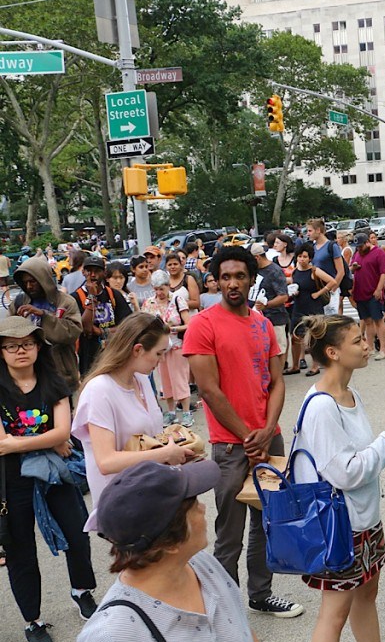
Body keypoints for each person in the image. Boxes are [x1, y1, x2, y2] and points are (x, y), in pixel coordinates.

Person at [292, 314, 385, 642]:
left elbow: (358, 456)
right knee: (334, 612)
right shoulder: (322, 406)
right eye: (357, 342)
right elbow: (345, 474)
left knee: (367, 594)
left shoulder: (350, 394)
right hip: (340, 525)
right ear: (332, 352)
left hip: (362, 519)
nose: (366, 346)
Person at [182, 246, 303, 618]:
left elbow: (278, 381)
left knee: (267, 523)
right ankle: (223, 605)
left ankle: (260, 594)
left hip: (269, 436)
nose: (233, 283)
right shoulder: (203, 324)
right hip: (230, 446)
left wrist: (266, 430)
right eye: (226, 277)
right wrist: (249, 437)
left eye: (240, 276)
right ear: (215, 281)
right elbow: (209, 390)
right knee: (229, 532)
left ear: (252, 279)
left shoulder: (263, 323)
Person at [73, 460, 272, 642]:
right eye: (193, 505)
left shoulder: (203, 565)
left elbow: (248, 638)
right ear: (169, 542)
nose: (203, 508)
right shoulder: (109, 640)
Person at [0, 317, 97, 642]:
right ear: (2, 351)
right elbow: (2, 444)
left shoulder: (53, 382)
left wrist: (20, 442)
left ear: (38, 347)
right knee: (20, 552)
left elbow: (63, 433)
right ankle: (32, 621)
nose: (20, 351)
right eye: (11, 346)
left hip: (55, 476)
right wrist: (48, 439)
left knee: (77, 534)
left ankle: (81, 591)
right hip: (11, 484)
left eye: (26, 343)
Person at [73, 312, 192, 530]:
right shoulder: (99, 390)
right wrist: (165, 454)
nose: (161, 360)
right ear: (137, 349)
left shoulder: (141, 380)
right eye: (158, 353)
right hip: (124, 505)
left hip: (151, 492)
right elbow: (106, 461)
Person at [9, 255, 82, 388]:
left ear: (44, 280)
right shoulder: (19, 303)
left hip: (61, 372)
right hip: (30, 374)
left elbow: (73, 332)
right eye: (25, 283)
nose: (29, 286)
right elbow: (8, 337)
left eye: (33, 281)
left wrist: (44, 315)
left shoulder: (65, 302)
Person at [141, 271, 193, 427]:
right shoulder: (149, 303)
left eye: (162, 288)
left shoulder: (178, 300)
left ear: (168, 286)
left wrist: (173, 329)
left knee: (180, 379)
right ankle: (171, 412)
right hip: (159, 349)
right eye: (156, 289)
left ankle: (186, 412)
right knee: (165, 380)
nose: (159, 293)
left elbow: (189, 324)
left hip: (176, 346)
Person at [70, 255, 132, 376]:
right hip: (89, 356)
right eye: (89, 271)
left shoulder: (113, 294)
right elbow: (86, 329)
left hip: (113, 353)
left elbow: (128, 325)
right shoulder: (76, 297)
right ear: (83, 272)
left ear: (104, 273)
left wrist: (101, 331)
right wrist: (92, 298)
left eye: (97, 271)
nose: (93, 275)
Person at [287, 242, 336, 376]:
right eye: (300, 256)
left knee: (313, 338)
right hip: (298, 306)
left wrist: (319, 293)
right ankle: (295, 365)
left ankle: (315, 366)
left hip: (313, 307)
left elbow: (332, 281)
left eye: (305, 257)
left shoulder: (314, 271)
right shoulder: (295, 272)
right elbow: (293, 285)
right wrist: (293, 292)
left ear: (310, 258)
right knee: (295, 337)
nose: (302, 259)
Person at [349, 233, 385, 361]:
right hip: (360, 293)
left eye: (361, 246)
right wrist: (353, 268)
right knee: (367, 321)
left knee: (378, 320)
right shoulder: (357, 254)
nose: (359, 249)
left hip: (374, 292)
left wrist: (379, 289)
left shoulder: (379, 253)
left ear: (368, 242)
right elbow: (350, 269)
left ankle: (383, 349)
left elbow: (384, 272)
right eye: (357, 247)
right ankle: (371, 347)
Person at [249, 243, 290, 362]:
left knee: (278, 349)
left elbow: (283, 296)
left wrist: (266, 305)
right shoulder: (253, 271)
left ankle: (279, 376)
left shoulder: (275, 271)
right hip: (255, 318)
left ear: (257, 257)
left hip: (275, 317)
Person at [307, 218, 345, 315]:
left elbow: (341, 271)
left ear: (318, 230)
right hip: (317, 288)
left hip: (330, 288)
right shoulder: (312, 247)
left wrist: (333, 289)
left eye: (310, 231)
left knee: (330, 320)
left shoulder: (332, 246)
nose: (308, 234)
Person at [164, 250, 200, 314]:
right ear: (166, 267)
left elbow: (196, 303)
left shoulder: (188, 279)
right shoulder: (164, 281)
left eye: (175, 264)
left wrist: (176, 303)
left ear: (180, 265)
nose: (172, 267)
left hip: (190, 319)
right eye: (170, 265)